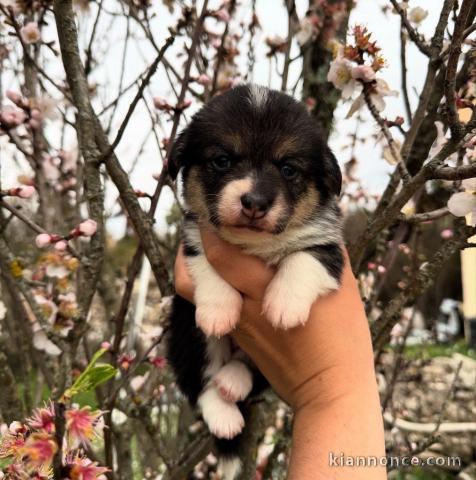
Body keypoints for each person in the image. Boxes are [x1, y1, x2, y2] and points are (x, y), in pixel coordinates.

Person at [174, 227, 387, 480]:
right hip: (209, 344)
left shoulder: (312, 232)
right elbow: (195, 252)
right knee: (189, 315)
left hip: (274, 362)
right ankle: (207, 390)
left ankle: (244, 368)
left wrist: (324, 385)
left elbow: (325, 261)